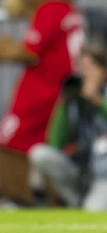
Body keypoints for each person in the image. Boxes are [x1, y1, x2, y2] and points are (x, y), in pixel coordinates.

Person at [29, 46, 107, 211]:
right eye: (81, 68)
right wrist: (65, 104)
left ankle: (87, 203)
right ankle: (75, 201)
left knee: (92, 210)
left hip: (103, 172)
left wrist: (97, 101)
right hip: (79, 166)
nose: (84, 74)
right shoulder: (73, 99)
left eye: (90, 68)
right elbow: (55, 141)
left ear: (103, 71)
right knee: (39, 153)